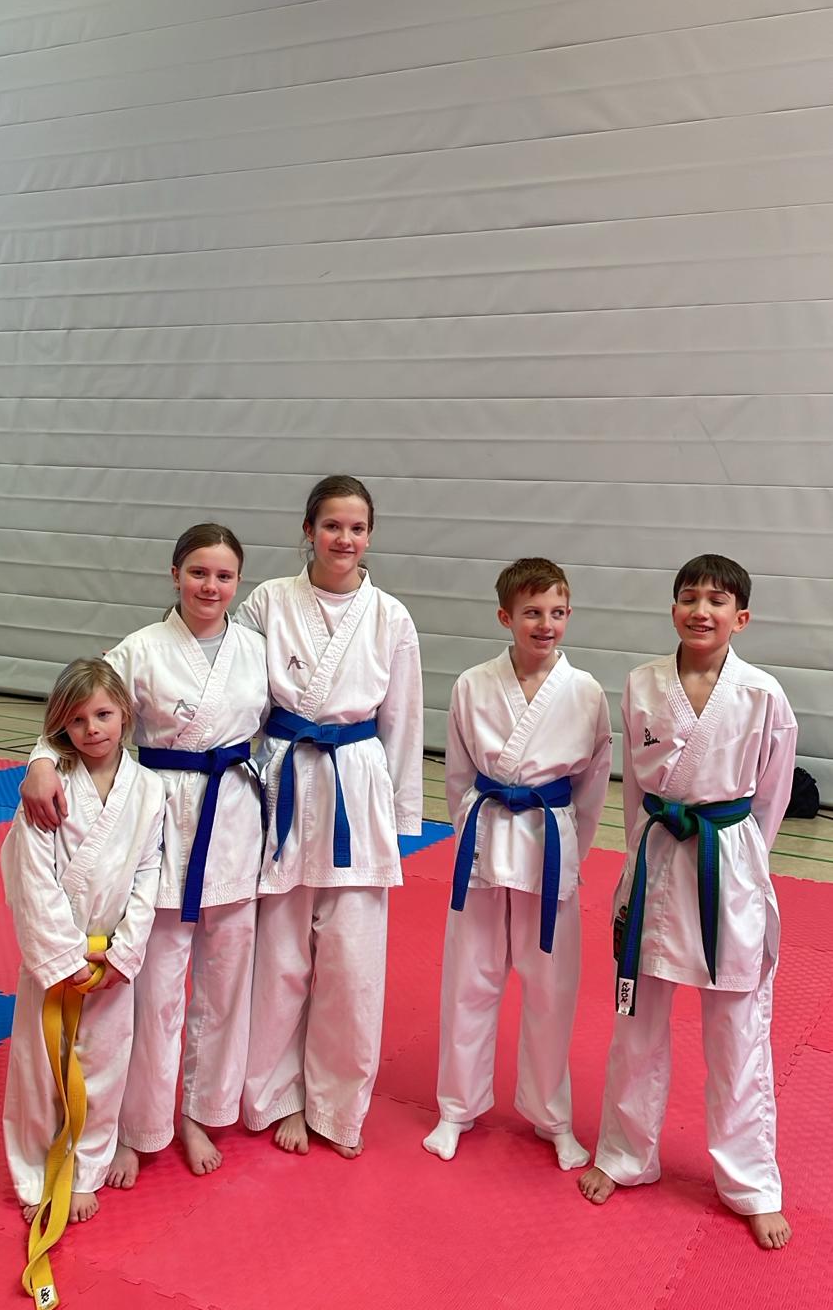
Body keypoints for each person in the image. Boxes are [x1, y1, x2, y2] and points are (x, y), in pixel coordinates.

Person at [19, 525, 268, 1181]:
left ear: (238, 582)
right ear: (174, 574)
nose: (210, 586)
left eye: (223, 575)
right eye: (198, 572)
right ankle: (139, 1126)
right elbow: (81, 707)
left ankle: (202, 1113)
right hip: (162, 819)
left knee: (227, 982)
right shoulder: (140, 648)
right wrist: (41, 762)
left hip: (235, 817)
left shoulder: (257, 649)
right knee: (154, 990)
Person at [579, 553, 798, 1250]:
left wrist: (744, 862)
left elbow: (770, 799)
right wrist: (630, 867)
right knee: (636, 1022)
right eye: (689, 597)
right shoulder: (642, 682)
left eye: (717, 600)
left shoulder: (763, 694)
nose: (701, 610)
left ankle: (751, 1183)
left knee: (737, 1030)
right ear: (673, 607)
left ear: (742, 617)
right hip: (655, 860)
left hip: (726, 861)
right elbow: (635, 792)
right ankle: (625, 1154)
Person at [238, 474, 424, 1157]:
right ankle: (276, 1095)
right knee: (279, 956)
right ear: (309, 531)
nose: (344, 539)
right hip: (285, 782)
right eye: (332, 526)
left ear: (369, 536)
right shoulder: (267, 601)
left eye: (357, 528)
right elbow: (240, 698)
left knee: (352, 963)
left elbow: (403, 721)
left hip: (357, 786)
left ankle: (338, 1108)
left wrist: (402, 823)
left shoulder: (390, 616)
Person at [423, 557, 612, 1167]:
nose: (545, 624)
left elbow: (593, 785)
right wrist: (470, 837)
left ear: (569, 615)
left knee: (552, 988)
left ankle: (552, 1116)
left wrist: (572, 849)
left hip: (549, 846)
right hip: (483, 842)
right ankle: (457, 1108)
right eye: (532, 612)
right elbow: (457, 775)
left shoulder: (585, 693)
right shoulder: (472, 684)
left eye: (557, 612)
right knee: (469, 979)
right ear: (506, 617)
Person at [3, 658, 165, 1224]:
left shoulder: (150, 789)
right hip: (58, 955)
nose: (92, 729)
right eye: (76, 720)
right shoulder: (48, 788)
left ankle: (86, 1170)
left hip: (112, 955)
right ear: (60, 727)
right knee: (37, 1066)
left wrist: (125, 950)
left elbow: (150, 872)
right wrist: (63, 955)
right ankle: (33, 1172)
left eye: (103, 715)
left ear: (124, 714)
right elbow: (32, 876)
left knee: (104, 1064)